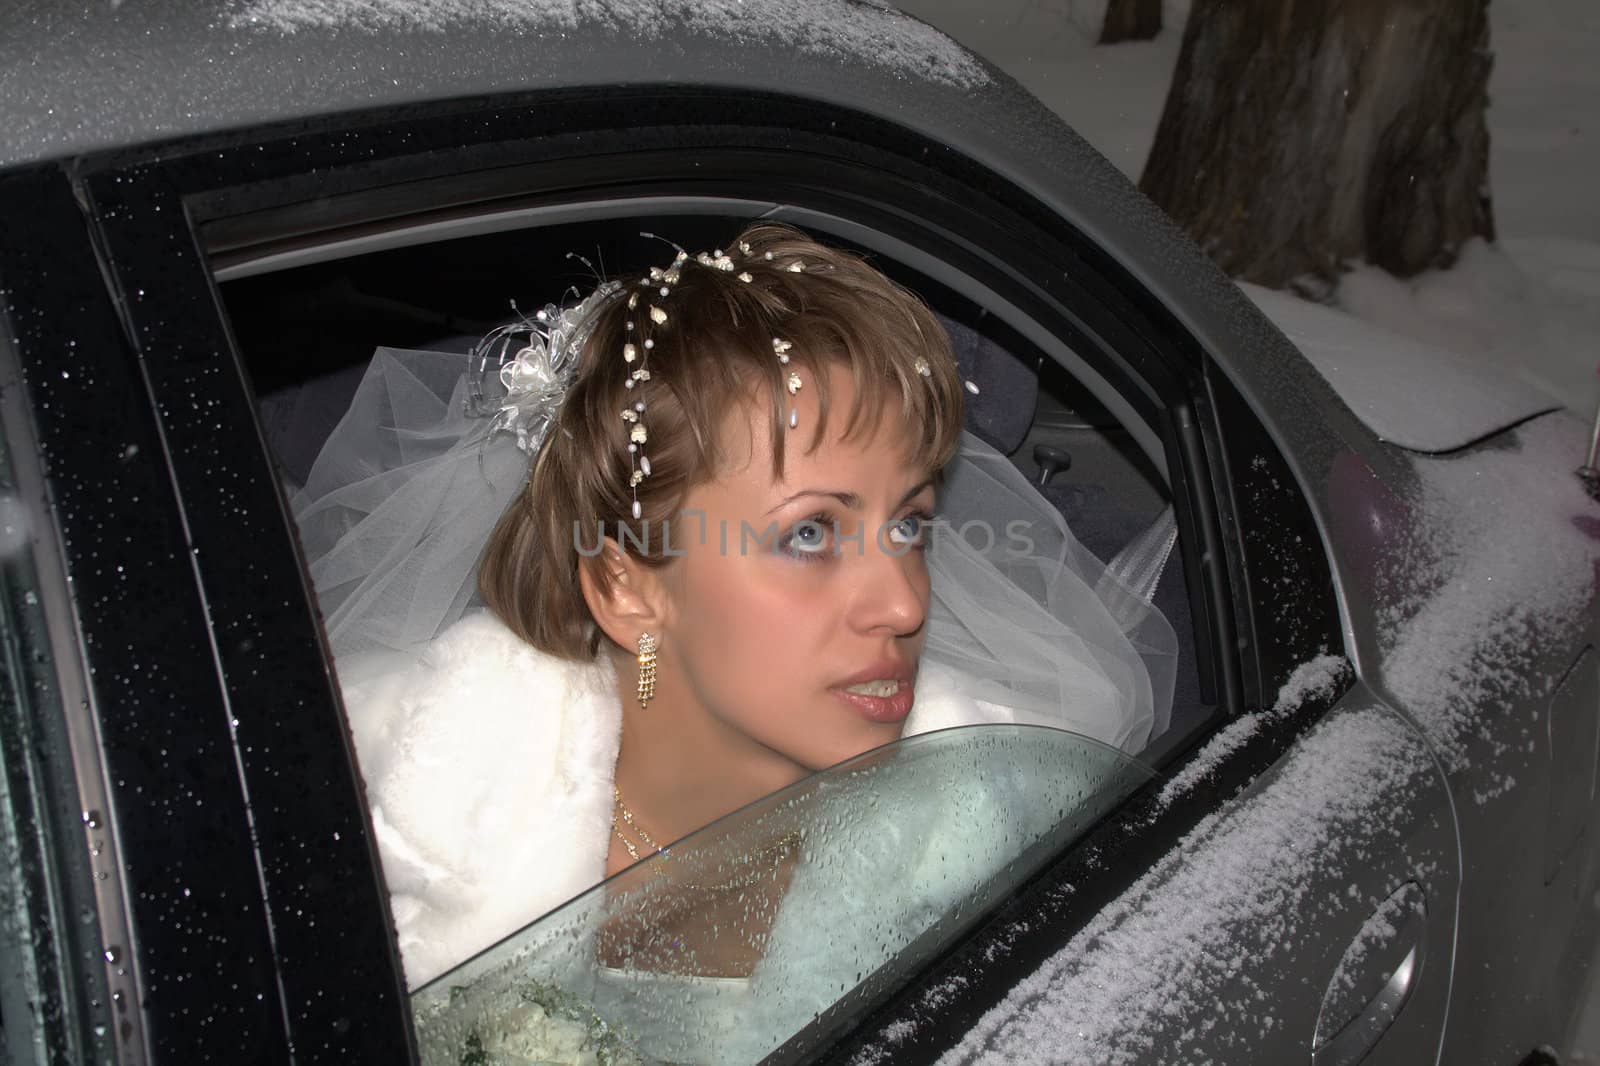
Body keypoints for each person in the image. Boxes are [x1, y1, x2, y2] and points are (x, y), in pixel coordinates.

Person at [289, 223, 1174, 997]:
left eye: (909, 525)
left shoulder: (994, 833)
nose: (905, 602)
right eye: (810, 536)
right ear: (629, 587)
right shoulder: (388, 819)